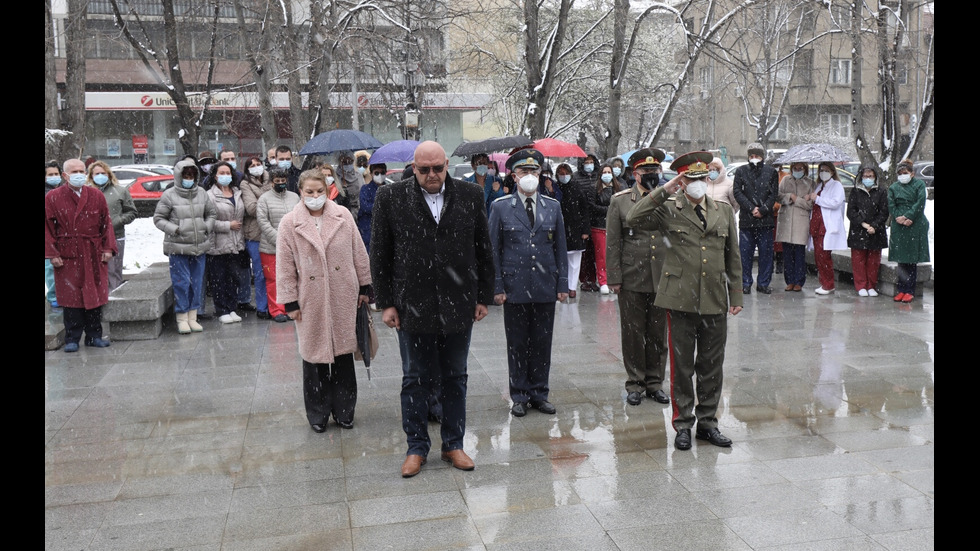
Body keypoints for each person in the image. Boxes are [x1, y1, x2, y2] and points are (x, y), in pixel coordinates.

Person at [370, 140, 495, 478]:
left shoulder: (469, 196)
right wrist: (386, 303)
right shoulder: (391, 198)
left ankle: (453, 443)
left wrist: (483, 295)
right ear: (413, 168)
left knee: (456, 377)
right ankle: (416, 446)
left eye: (437, 168)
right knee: (415, 379)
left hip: (458, 303)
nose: (431, 175)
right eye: (423, 169)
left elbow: (483, 248)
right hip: (413, 304)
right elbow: (380, 254)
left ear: (446, 165)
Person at [626, 151, 742, 450]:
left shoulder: (724, 211)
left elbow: (734, 258)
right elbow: (634, 216)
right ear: (682, 180)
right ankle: (683, 424)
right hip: (679, 299)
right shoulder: (668, 209)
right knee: (682, 367)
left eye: (702, 178)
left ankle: (707, 423)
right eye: (690, 179)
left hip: (715, 297)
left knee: (711, 365)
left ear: (708, 178)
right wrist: (665, 189)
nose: (697, 183)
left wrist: (737, 295)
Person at [277, 169, 372, 432]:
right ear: (301, 192)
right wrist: (290, 301)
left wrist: (365, 285)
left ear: (327, 189)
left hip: (344, 293)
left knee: (342, 355)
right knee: (314, 358)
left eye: (319, 191)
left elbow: (359, 252)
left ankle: (344, 410)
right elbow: (285, 265)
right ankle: (317, 414)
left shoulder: (343, 216)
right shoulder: (289, 223)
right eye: (309, 192)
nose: (315, 196)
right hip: (311, 298)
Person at [488, 149, 568, 417]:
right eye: (524, 172)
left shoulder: (552, 206)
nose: (530, 176)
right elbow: (493, 251)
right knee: (518, 343)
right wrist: (497, 287)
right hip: (515, 286)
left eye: (534, 171)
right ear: (514, 176)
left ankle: (539, 393)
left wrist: (563, 284)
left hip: (545, 284)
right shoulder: (500, 207)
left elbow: (560, 248)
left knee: (542, 342)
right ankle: (519, 394)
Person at [606, 148, 671, 406]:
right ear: (635, 174)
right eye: (646, 172)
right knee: (633, 332)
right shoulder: (620, 201)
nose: (652, 175)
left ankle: (655, 382)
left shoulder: (668, 198)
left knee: (658, 333)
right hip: (632, 274)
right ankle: (635, 382)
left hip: (661, 275)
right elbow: (613, 241)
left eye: (655, 171)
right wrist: (614, 277)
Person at [45, 158, 118, 352]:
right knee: (71, 296)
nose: (79, 174)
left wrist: (107, 248)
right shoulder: (53, 197)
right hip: (67, 252)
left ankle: (94, 335)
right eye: (74, 171)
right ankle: (72, 337)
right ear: (65, 175)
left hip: (93, 251)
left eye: (81, 170)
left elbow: (106, 223)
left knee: (94, 294)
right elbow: (48, 227)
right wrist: (52, 253)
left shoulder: (95, 195)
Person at [732, 143, 779, 294]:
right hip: (747, 220)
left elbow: (773, 194)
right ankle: (745, 282)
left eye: (757, 156)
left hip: (765, 221)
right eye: (751, 156)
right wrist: (751, 208)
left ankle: (763, 283)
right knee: (745, 255)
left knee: (766, 254)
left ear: (762, 157)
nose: (754, 159)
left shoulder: (771, 172)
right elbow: (737, 192)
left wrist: (764, 209)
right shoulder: (741, 171)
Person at [205, 161, 247, 323]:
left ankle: (232, 307)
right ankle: (222, 310)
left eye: (227, 173)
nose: (225, 176)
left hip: (236, 243)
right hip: (218, 243)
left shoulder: (237, 192)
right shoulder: (210, 195)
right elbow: (207, 221)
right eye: (221, 173)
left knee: (234, 278)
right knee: (219, 279)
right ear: (215, 176)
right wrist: (227, 225)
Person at [256, 168, 299, 323]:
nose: (281, 183)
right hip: (270, 247)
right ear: (271, 182)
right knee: (273, 280)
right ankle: (276, 310)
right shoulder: (264, 199)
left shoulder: (294, 197)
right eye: (277, 181)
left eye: (283, 180)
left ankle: (290, 308)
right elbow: (262, 222)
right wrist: (279, 239)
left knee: (290, 278)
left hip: (292, 246)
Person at [88, 161, 137, 292]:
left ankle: (116, 296)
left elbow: (132, 212)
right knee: (95, 270)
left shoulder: (120, 191)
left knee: (114, 270)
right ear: (91, 176)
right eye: (97, 173)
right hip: (92, 238)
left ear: (109, 174)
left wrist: (118, 221)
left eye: (103, 173)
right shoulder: (87, 192)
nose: (100, 176)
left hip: (116, 236)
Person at [887, 159, 930, 303]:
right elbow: (891, 203)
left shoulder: (919, 185)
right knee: (901, 259)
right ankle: (901, 289)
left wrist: (909, 216)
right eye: (900, 173)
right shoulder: (894, 187)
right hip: (899, 225)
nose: (902, 175)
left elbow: (920, 202)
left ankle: (910, 290)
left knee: (911, 260)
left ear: (912, 173)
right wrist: (898, 216)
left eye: (905, 173)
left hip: (915, 223)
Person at [846, 166, 889, 297]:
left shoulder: (881, 191)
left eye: (870, 176)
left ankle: (871, 285)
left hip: (876, 232)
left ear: (875, 177)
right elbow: (851, 211)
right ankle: (861, 285)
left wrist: (874, 226)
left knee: (873, 261)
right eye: (865, 176)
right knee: (858, 260)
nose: (868, 179)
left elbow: (884, 212)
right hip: (859, 230)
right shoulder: (855, 191)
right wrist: (863, 223)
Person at [806, 161, 847, 295]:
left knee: (824, 256)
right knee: (818, 256)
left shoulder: (837, 186)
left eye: (826, 170)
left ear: (832, 172)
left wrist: (817, 199)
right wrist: (811, 198)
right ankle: (823, 282)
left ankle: (828, 284)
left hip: (826, 225)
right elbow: (816, 201)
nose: (823, 173)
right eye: (821, 170)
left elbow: (835, 203)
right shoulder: (819, 186)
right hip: (816, 224)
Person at [775, 161, 815, 292]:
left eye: (801, 168)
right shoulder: (786, 180)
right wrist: (789, 196)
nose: (798, 170)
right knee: (787, 253)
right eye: (795, 168)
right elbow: (778, 196)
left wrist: (797, 200)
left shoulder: (810, 183)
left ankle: (799, 281)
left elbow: (810, 204)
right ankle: (789, 280)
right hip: (786, 220)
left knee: (799, 253)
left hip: (801, 222)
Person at [240, 156, 272, 319]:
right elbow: (251, 208)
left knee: (274, 273)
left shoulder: (271, 179)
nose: (256, 167)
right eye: (252, 165)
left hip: (273, 233)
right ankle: (262, 306)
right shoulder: (245, 184)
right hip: (255, 235)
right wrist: (269, 203)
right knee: (260, 273)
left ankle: (276, 306)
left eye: (258, 164)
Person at [555, 162, 590, 299]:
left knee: (575, 262)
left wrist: (585, 230)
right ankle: (563, 286)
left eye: (566, 174)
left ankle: (572, 287)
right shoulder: (555, 188)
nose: (564, 177)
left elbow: (585, 211)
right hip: (561, 228)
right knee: (561, 260)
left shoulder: (578, 189)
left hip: (576, 229)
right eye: (561, 174)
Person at [591, 163, 621, 294]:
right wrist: (608, 210)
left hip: (615, 227)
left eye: (609, 172)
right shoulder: (595, 189)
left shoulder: (618, 188)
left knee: (614, 254)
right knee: (602, 255)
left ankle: (613, 280)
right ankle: (603, 280)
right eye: (604, 172)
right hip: (599, 226)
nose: (607, 175)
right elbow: (592, 206)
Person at [574, 153, 600, 292]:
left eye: (591, 161)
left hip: (597, 219)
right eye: (586, 162)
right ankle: (584, 279)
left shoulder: (598, 176)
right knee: (584, 253)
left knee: (595, 253)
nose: (589, 164)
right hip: (583, 218)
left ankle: (594, 279)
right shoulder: (576, 177)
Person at [45, 161, 64, 308]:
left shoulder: (64, 191)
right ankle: (53, 297)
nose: (54, 177)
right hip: (48, 237)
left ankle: (63, 295)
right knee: (50, 268)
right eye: (50, 175)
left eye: (56, 174)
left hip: (63, 236)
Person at [336, 151, 361, 217]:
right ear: (340, 162)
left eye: (350, 161)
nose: (347, 164)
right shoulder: (336, 177)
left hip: (357, 213)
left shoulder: (358, 176)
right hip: (340, 213)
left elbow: (362, 194)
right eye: (344, 162)